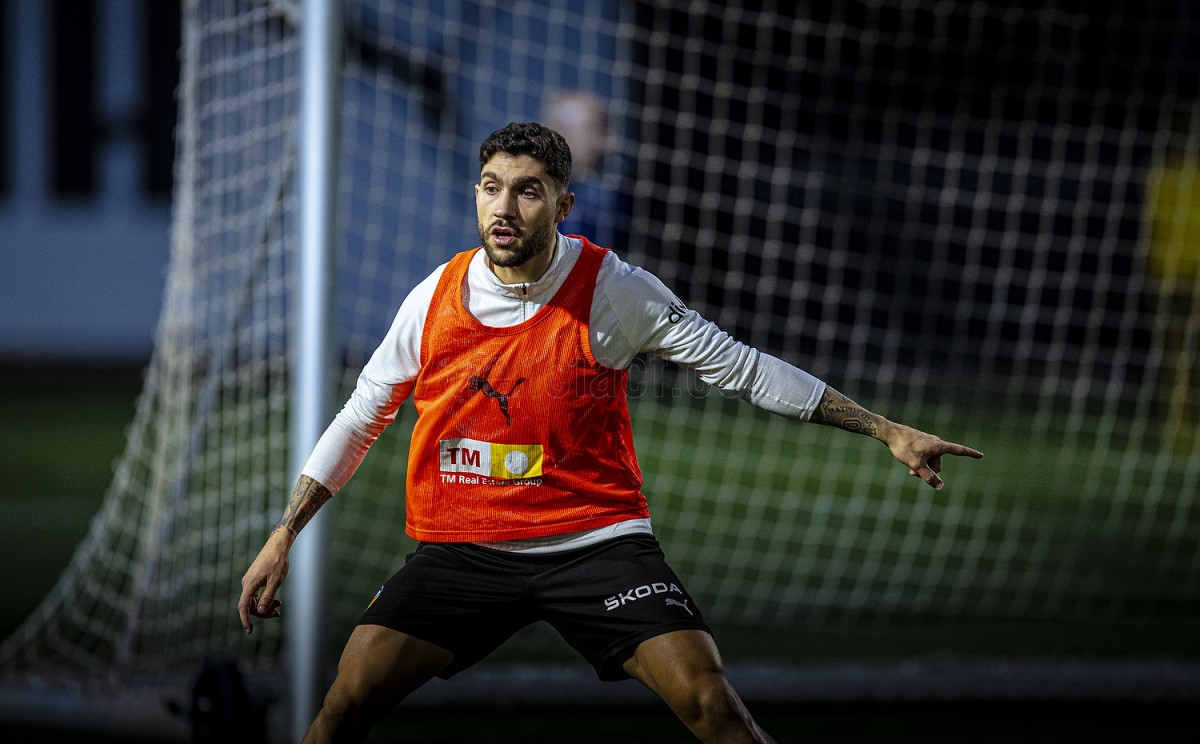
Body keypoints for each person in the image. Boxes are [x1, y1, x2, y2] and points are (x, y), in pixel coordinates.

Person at [238, 122, 983, 743]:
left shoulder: (615, 291)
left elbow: (743, 368)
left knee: (709, 701)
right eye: (491, 186)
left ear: (563, 203)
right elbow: (364, 413)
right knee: (345, 703)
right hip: (466, 547)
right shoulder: (435, 296)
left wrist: (884, 429)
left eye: (528, 191)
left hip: (594, 540)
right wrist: (284, 535)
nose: (505, 207)